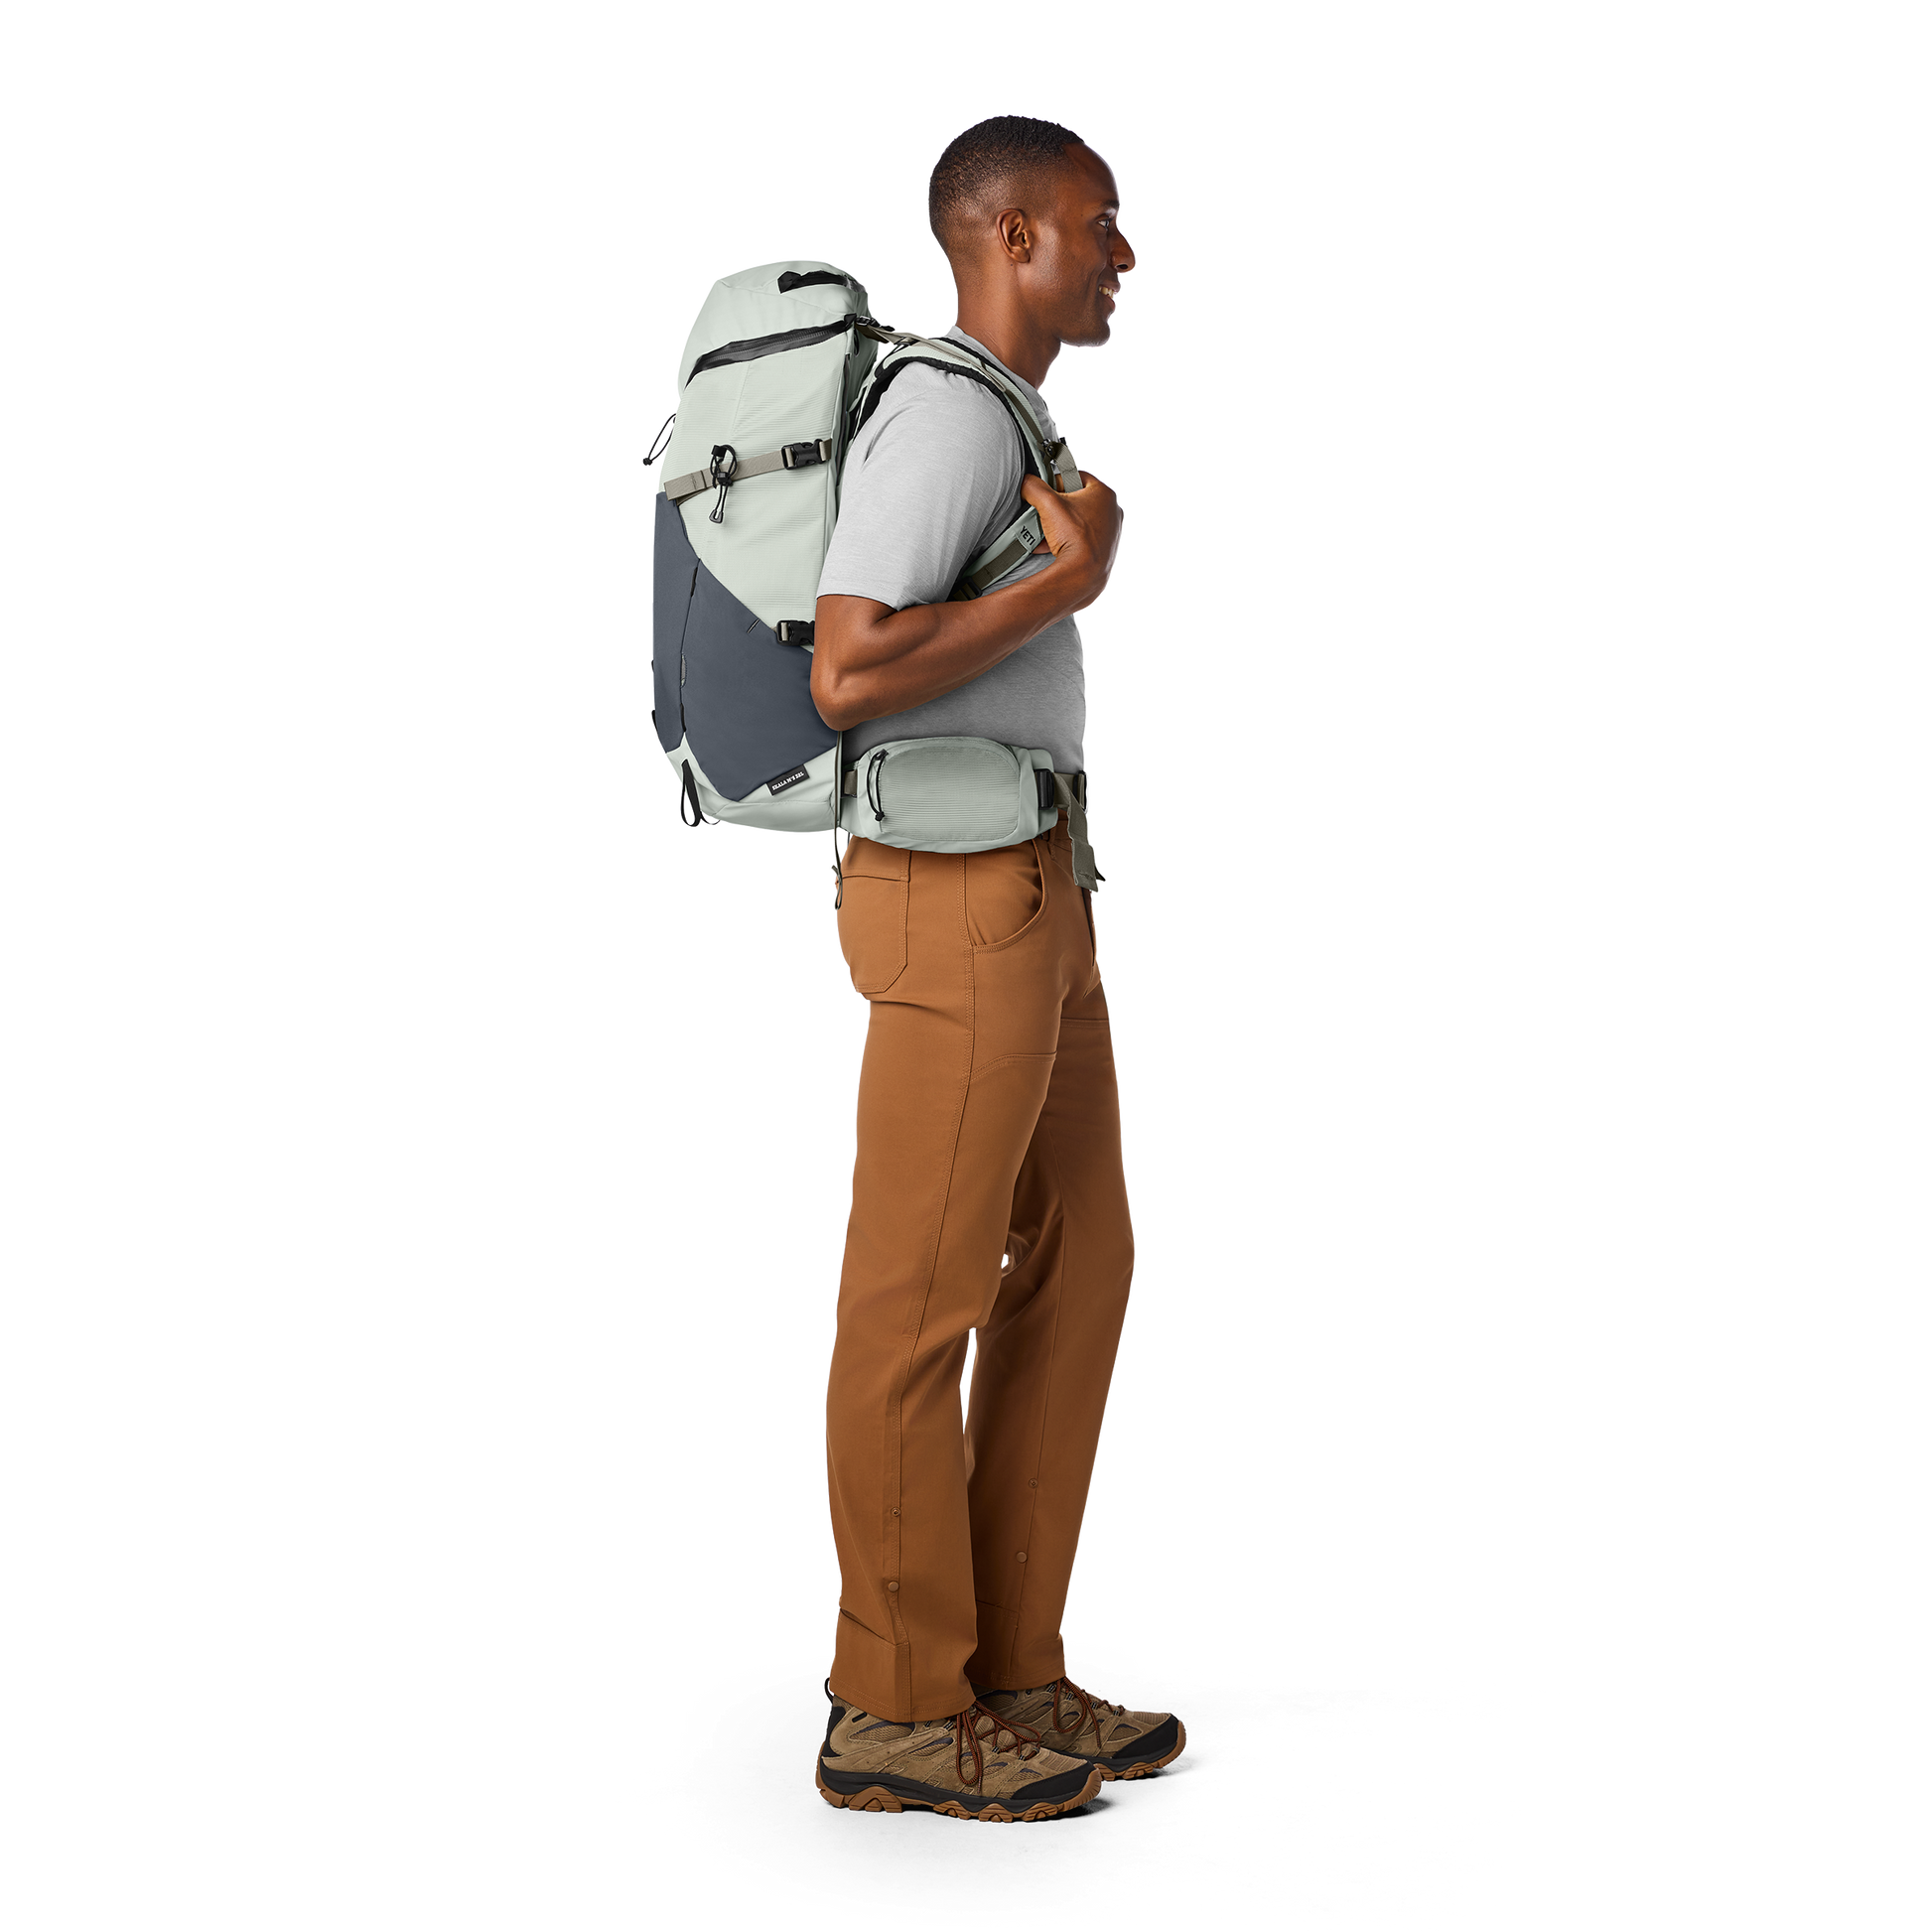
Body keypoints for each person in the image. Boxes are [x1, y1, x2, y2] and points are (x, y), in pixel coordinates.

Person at [809, 114, 1186, 1824]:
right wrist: (1072, 580)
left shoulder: (1011, 414)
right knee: (919, 1298)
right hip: (948, 890)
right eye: (1102, 224)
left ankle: (1012, 1666)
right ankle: (892, 1704)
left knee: (1083, 1256)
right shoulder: (946, 414)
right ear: (1015, 235)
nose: (1123, 254)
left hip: (1036, 878)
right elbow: (846, 670)